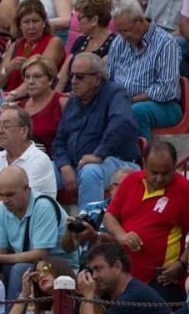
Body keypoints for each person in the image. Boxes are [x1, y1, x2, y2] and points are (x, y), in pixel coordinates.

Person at [103, 140, 189, 302]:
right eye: (154, 172)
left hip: (163, 279)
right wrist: (122, 236)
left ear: (175, 165)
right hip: (125, 277)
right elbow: (109, 216)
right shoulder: (130, 181)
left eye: (166, 172)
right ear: (144, 164)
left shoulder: (186, 190)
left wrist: (182, 264)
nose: (159, 178)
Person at [52, 52, 142, 207]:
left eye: (80, 77)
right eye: (72, 76)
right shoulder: (73, 102)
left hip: (117, 161)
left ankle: (89, 224)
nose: (73, 81)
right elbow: (59, 141)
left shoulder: (116, 93)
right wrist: (64, 165)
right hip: (75, 164)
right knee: (42, 168)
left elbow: (121, 123)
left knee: (90, 171)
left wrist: (99, 154)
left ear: (97, 79)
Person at [106, 0, 183, 141]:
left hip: (164, 105)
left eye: (126, 30)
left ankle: (138, 159)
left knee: (136, 111)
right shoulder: (119, 42)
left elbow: (166, 90)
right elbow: (109, 78)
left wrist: (131, 100)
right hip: (123, 100)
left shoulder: (166, 44)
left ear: (140, 21)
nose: (123, 36)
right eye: (119, 31)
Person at [0, 165, 72, 300]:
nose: (5, 200)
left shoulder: (43, 206)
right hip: (30, 262)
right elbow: (2, 251)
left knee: (20, 269)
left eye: (10, 194)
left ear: (26, 189)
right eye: (1, 195)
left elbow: (40, 255)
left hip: (58, 266)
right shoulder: (1, 208)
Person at [0, 106, 57, 218]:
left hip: (28, 226)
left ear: (23, 131)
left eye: (6, 126)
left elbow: (21, 203)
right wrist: (10, 194)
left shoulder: (38, 160)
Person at [77, 241, 180, 314]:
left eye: (98, 269)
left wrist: (88, 296)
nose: (94, 276)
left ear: (117, 266)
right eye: (92, 270)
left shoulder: (135, 294)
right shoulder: (114, 291)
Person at [0, 0, 65, 99]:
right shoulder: (15, 46)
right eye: (26, 22)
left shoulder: (54, 42)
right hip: (8, 99)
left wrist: (12, 96)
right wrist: (8, 69)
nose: (31, 27)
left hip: (33, 100)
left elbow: (39, 77)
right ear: (20, 26)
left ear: (44, 23)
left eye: (35, 21)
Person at [54, 0, 116, 94]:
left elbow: (98, 81)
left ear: (94, 20)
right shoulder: (81, 40)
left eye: (80, 18)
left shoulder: (115, 43)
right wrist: (56, 97)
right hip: (68, 96)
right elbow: (63, 75)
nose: (78, 22)